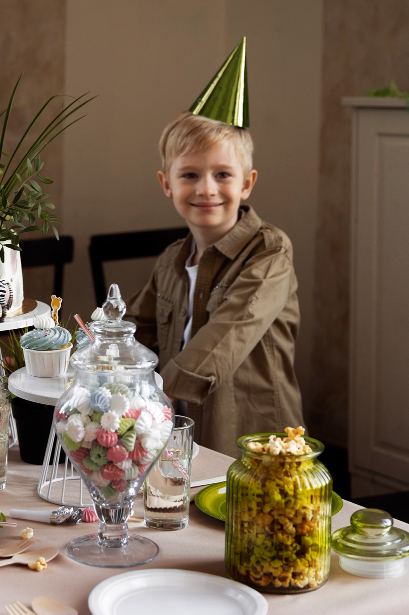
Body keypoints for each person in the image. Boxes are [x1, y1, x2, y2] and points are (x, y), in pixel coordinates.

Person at [126, 40, 303, 456]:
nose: (206, 189)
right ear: (166, 184)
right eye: (189, 175)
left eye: (222, 174)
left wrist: (155, 394)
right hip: (180, 441)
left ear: (246, 184)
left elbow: (228, 335)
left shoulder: (270, 253)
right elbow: (135, 330)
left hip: (254, 448)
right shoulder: (172, 259)